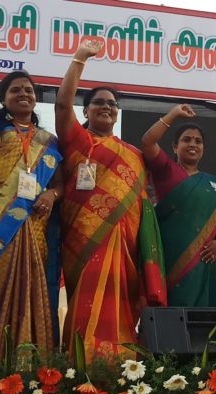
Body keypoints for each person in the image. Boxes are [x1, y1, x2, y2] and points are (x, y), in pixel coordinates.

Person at [0, 20, 62, 359]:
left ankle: (34, 367)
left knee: (32, 293)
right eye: (15, 90)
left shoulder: (49, 142)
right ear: (3, 98)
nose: (23, 94)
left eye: (29, 90)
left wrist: (51, 194)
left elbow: (60, 184)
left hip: (33, 226)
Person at [55, 40, 165, 360]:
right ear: (86, 110)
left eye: (112, 104)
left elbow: (143, 207)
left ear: (117, 113)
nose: (107, 107)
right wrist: (80, 58)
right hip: (83, 241)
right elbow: (61, 106)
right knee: (84, 302)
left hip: (125, 249)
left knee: (122, 307)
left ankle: (123, 364)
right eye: (99, 102)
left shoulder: (134, 154)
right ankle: (79, 362)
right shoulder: (77, 139)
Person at [142, 104, 216, 307]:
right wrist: (174, 114)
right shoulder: (166, 169)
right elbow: (148, 142)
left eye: (198, 141)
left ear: (203, 149)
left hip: (206, 259)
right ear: (175, 147)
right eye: (186, 139)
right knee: (172, 310)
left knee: (206, 315)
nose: (193, 144)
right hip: (171, 253)